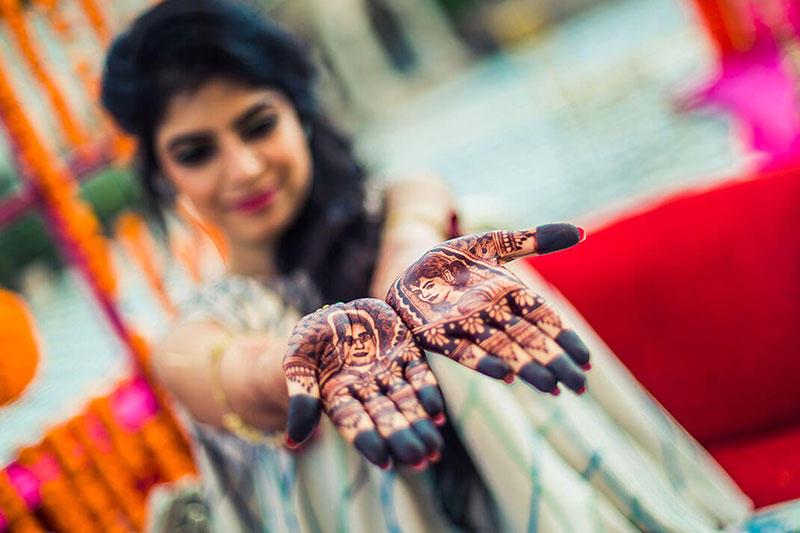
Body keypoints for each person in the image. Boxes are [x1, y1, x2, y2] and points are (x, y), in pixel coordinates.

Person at [101, 1, 754, 531]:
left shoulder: (410, 216)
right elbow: (221, 371)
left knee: (455, 275)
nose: (242, 168)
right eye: (196, 151)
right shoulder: (205, 329)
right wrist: (316, 356)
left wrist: (406, 270)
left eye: (257, 124)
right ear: (163, 175)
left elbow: (417, 203)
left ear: (300, 114)